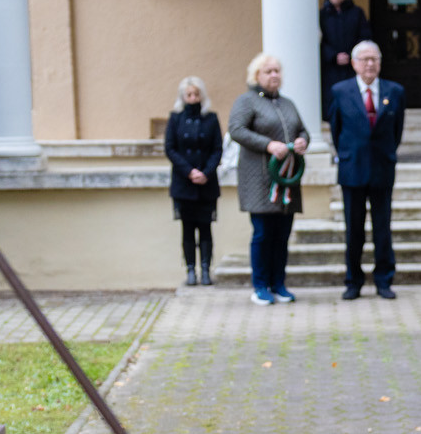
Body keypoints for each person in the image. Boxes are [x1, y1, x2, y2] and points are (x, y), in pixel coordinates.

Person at [229, 52, 309, 306]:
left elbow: (302, 129)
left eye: (277, 71)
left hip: (286, 180)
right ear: (257, 76)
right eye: (268, 71)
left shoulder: (287, 103)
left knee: (282, 234)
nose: (274, 75)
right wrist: (268, 145)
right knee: (263, 233)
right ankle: (260, 286)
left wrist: (302, 141)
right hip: (259, 180)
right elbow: (236, 129)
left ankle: (279, 284)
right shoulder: (247, 101)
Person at [326, 39, 404, 300]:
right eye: (365, 59)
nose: (370, 64)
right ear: (354, 63)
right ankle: (353, 281)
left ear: (380, 63)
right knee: (354, 229)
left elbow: (397, 130)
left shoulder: (395, 91)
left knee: (382, 228)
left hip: (382, 168)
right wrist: (348, 154)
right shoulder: (340, 91)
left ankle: (384, 280)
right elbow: (336, 130)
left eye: (374, 59)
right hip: (353, 169)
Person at [164, 76, 221, 287]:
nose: (193, 98)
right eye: (189, 94)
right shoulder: (175, 118)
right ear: (183, 97)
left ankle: (205, 270)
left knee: (205, 228)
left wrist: (205, 172)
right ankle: (190, 270)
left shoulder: (211, 119)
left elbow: (217, 149)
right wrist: (189, 172)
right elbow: (170, 148)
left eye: (196, 94)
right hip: (184, 183)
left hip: (207, 183)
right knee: (187, 229)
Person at [318, 0, 372, 105]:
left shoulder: (357, 13)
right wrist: (333, 56)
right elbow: (319, 40)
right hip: (330, 67)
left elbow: (364, 36)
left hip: (353, 65)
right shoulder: (322, 14)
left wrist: (351, 54)